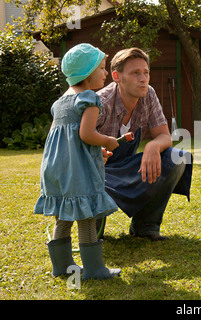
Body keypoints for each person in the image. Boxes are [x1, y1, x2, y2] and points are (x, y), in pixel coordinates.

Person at [34, 43, 121, 279]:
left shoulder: (61, 101)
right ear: (87, 73)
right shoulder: (89, 99)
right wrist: (108, 141)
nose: (105, 73)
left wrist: (96, 152)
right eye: (101, 68)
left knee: (63, 216)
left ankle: (62, 267)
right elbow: (86, 134)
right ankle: (95, 269)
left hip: (55, 169)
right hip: (77, 172)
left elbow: (67, 140)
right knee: (86, 217)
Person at [96, 48, 192, 241]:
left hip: (124, 164)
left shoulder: (148, 94)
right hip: (96, 170)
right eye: (135, 73)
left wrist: (152, 147)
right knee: (91, 176)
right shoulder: (100, 102)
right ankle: (92, 231)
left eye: (146, 72)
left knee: (178, 157)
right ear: (117, 76)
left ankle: (146, 226)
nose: (143, 78)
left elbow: (164, 136)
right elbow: (75, 145)